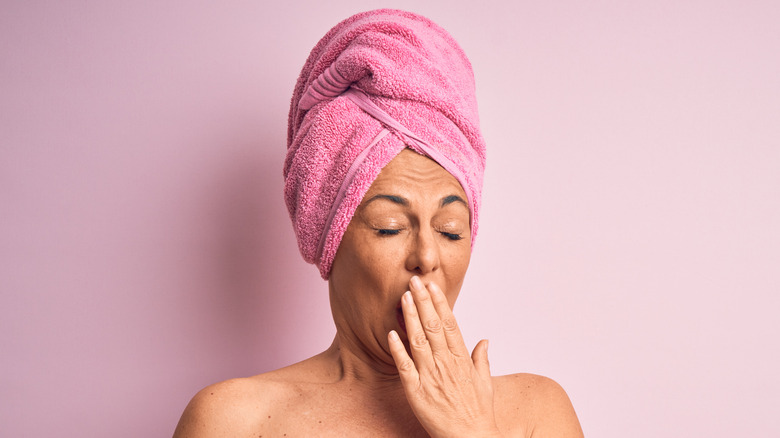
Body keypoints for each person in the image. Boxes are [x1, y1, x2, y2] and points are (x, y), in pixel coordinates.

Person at [173, 9, 583, 437]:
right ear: (329, 237)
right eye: (389, 226)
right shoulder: (233, 420)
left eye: (450, 231)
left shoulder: (536, 412)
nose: (426, 256)